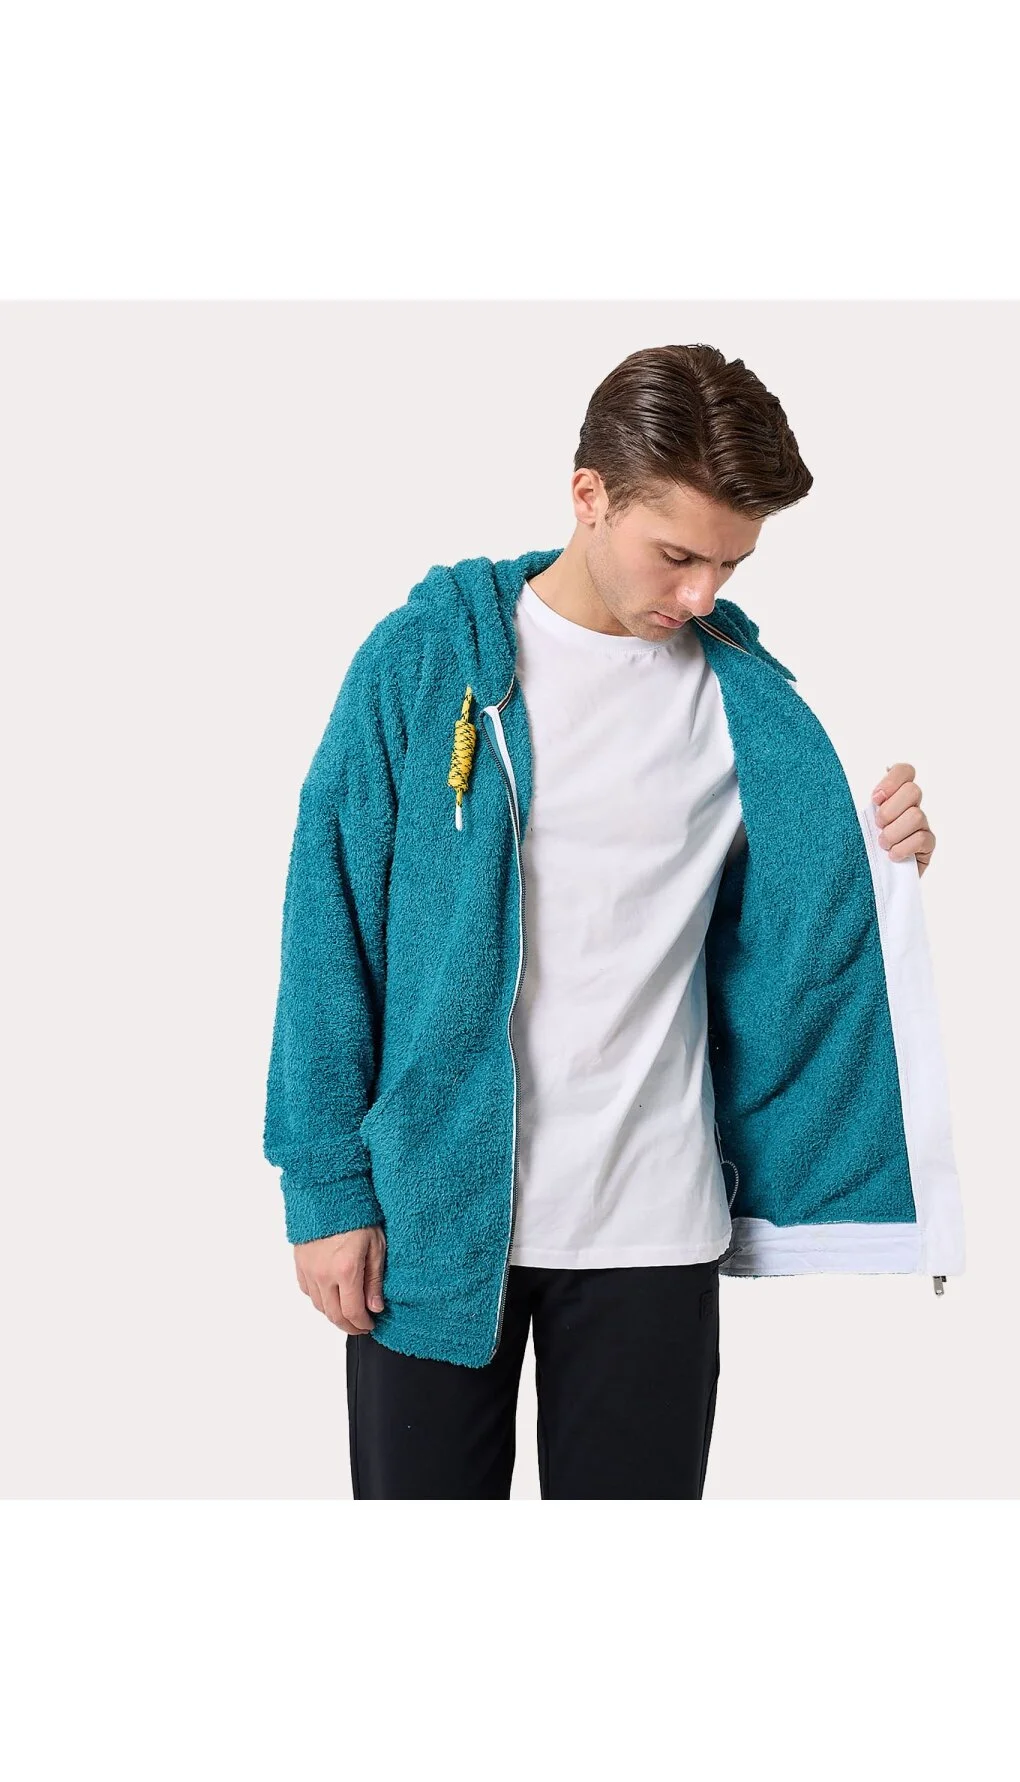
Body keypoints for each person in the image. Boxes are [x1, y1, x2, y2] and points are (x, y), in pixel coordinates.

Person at [263, 342, 957, 1501]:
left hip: (654, 1230)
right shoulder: (427, 663)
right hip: (434, 1220)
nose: (701, 597)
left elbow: (798, 928)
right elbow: (327, 925)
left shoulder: (744, 703)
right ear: (589, 494)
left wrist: (886, 856)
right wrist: (326, 1189)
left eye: (729, 564)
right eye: (677, 555)